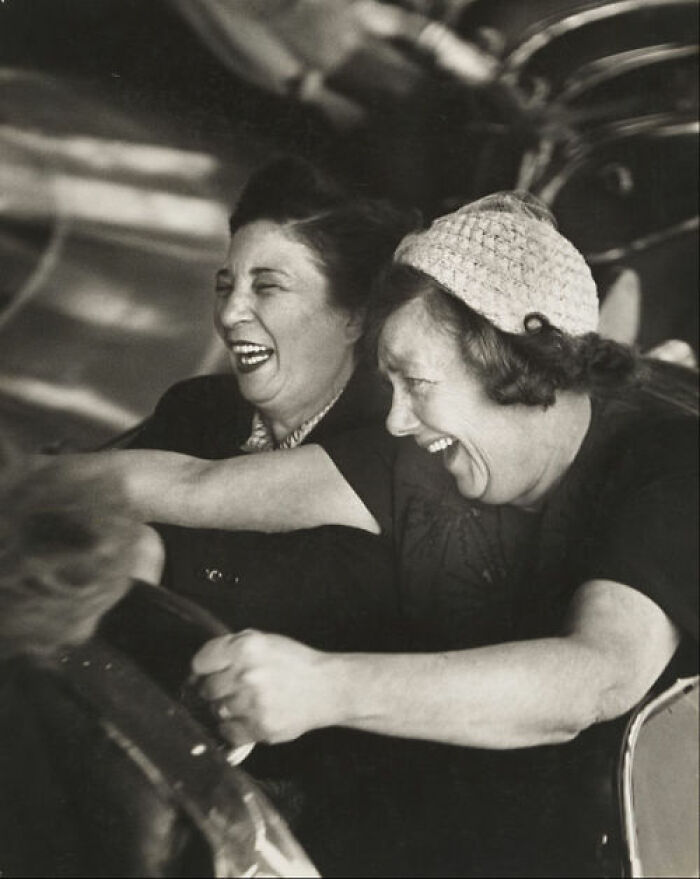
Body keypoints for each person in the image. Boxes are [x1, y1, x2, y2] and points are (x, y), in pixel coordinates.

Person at [61, 192, 698, 875]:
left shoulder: (670, 461)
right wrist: (30, 482)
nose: (395, 419)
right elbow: (197, 486)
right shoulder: (426, 459)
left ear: (511, 362)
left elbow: (593, 680)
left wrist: (325, 686)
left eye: (415, 382)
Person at [122, 156, 419, 874]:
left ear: (352, 316)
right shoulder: (194, 409)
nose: (228, 313)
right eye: (226, 284)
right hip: (131, 758)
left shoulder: (393, 454)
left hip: (296, 827)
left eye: (268, 285)